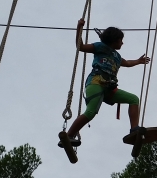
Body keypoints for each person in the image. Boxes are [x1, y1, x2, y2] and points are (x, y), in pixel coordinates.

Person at [60, 18, 150, 147]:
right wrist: (79, 28)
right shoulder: (100, 47)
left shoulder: (117, 57)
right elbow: (81, 47)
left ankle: (134, 129)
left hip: (109, 88)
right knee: (91, 112)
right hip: (96, 83)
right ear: (114, 40)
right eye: (121, 40)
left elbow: (128, 63)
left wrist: (138, 61)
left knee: (133, 99)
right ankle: (69, 136)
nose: (122, 43)